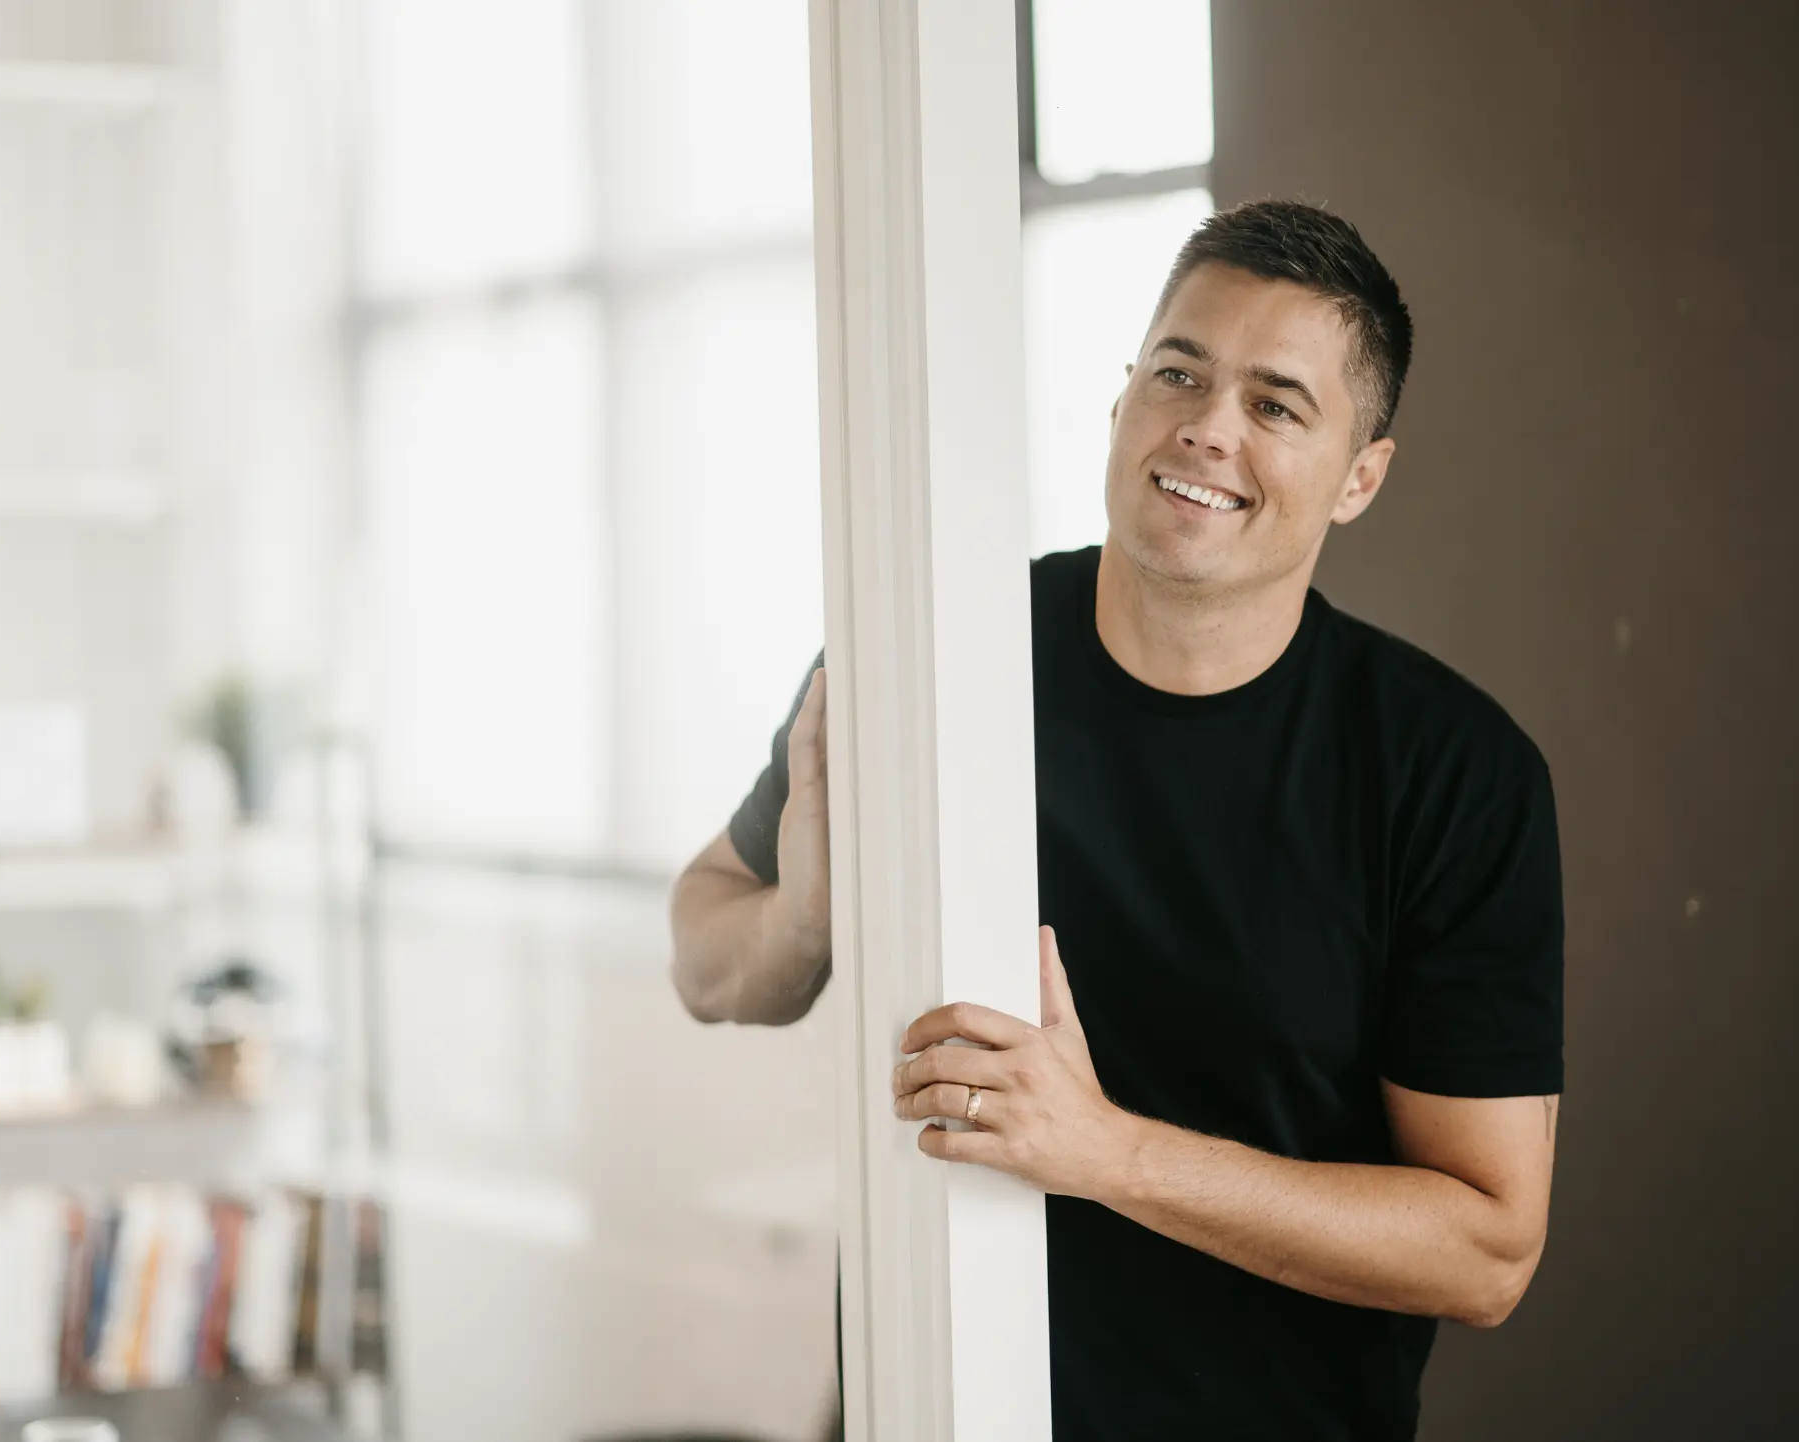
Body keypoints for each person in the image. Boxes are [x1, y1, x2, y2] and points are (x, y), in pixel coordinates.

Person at [668, 198, 1563, 1442]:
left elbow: (1485, 1250)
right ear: (1121, 399)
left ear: (1361, 475)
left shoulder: (1454, 773)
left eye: (1276, 403)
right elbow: (708, 952)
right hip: (922, 1406)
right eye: (1178, 372)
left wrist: (1103, 1151)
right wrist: (811, 914)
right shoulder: (934, 652)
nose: (1207, 426)